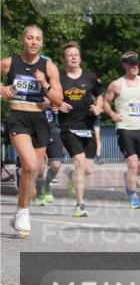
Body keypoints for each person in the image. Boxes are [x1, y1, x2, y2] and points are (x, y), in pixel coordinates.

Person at [1, 25, 64, 238]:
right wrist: (2, 88)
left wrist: (45, 84)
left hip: (40, 120)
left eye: (38, 38)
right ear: (23, 40)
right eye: (30, 38)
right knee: (28, 164)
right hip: (18, 118)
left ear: (42, 42)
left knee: (33, 171)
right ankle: (23, 212)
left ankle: (19, 211)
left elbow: (58, 100)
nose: (34, 42)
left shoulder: (49, 67)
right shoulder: (10, 63)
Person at [55, 42, 103, 219]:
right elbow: (49, 99)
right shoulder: (59, 80)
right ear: (64, 59)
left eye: (76, 54)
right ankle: (79, 205)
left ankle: (71, 175)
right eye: (70, 55)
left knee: (88, 169)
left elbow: (101, 96)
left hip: (88, 128)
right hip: (69, 128)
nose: (73, 57)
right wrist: (57, 104)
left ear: (80, 57)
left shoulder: (90, 77)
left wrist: (99, 108)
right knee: (80, 163)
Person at [103, 51, 140, 209]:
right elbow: (105, 101)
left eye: (136, 63)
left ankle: (129, 178)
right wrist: (112, 114)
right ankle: (132, 195)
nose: (134, 66)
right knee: (133, 163)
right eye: (131, 63)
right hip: (125, 127)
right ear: (124, 65)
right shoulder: (117, 84)